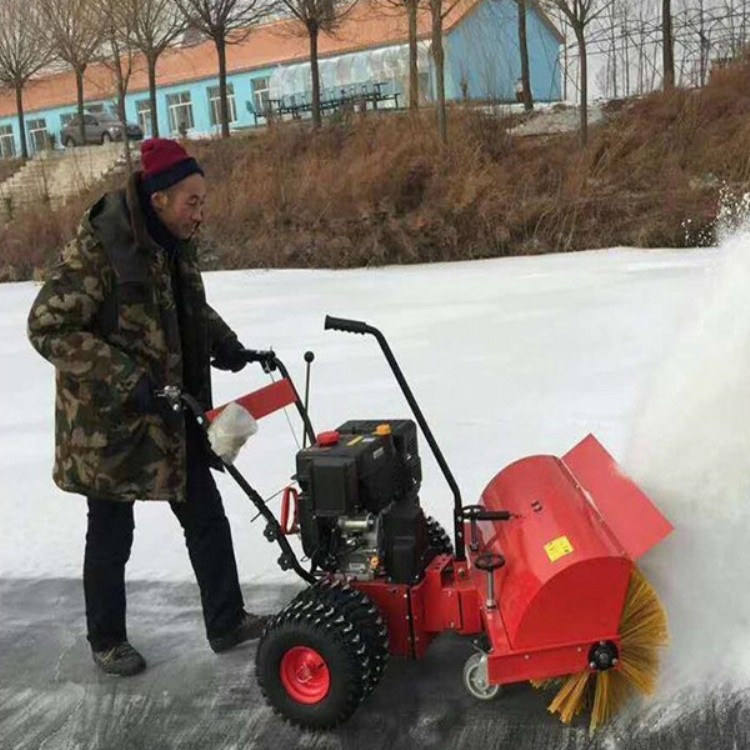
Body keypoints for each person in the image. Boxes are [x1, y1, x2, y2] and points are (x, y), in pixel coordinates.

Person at [27, 138, 269, 677]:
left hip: (169, 410)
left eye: (203, 201)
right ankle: (107, 640)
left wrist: (226, 344)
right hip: (107, 426)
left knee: (205, 514)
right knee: (112, 533)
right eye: (193, 201)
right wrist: (124, 377)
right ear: (159, 197)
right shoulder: (102, 246)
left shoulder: (174, 242)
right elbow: (47, 326)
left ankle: (226, 621)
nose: (200, 213)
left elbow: (187, 307)